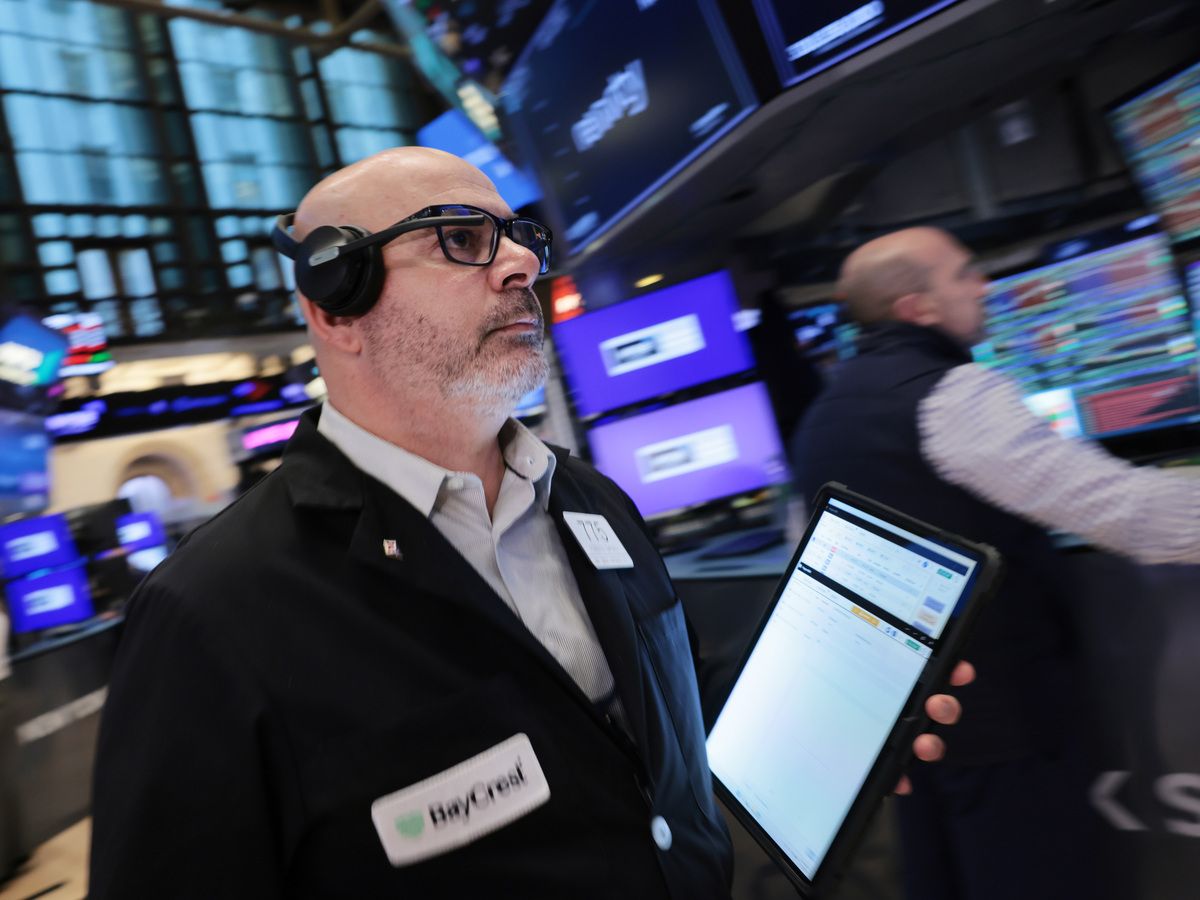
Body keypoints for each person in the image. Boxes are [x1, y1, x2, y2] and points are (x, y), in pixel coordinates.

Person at [87, 149, 970, 898]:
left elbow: (668, 710)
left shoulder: (591, 500)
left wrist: (836, 722)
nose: (519, 267)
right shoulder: (212, 616)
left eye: (520, 239)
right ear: (336, 305)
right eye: (462, 240)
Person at [790, 226, 1200, 900]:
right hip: (1008, 724)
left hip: (910, 736)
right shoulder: (951, 395)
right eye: (964, 273)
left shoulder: (821, 418)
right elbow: (1122, 510)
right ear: (916, 307)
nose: (982, 286)